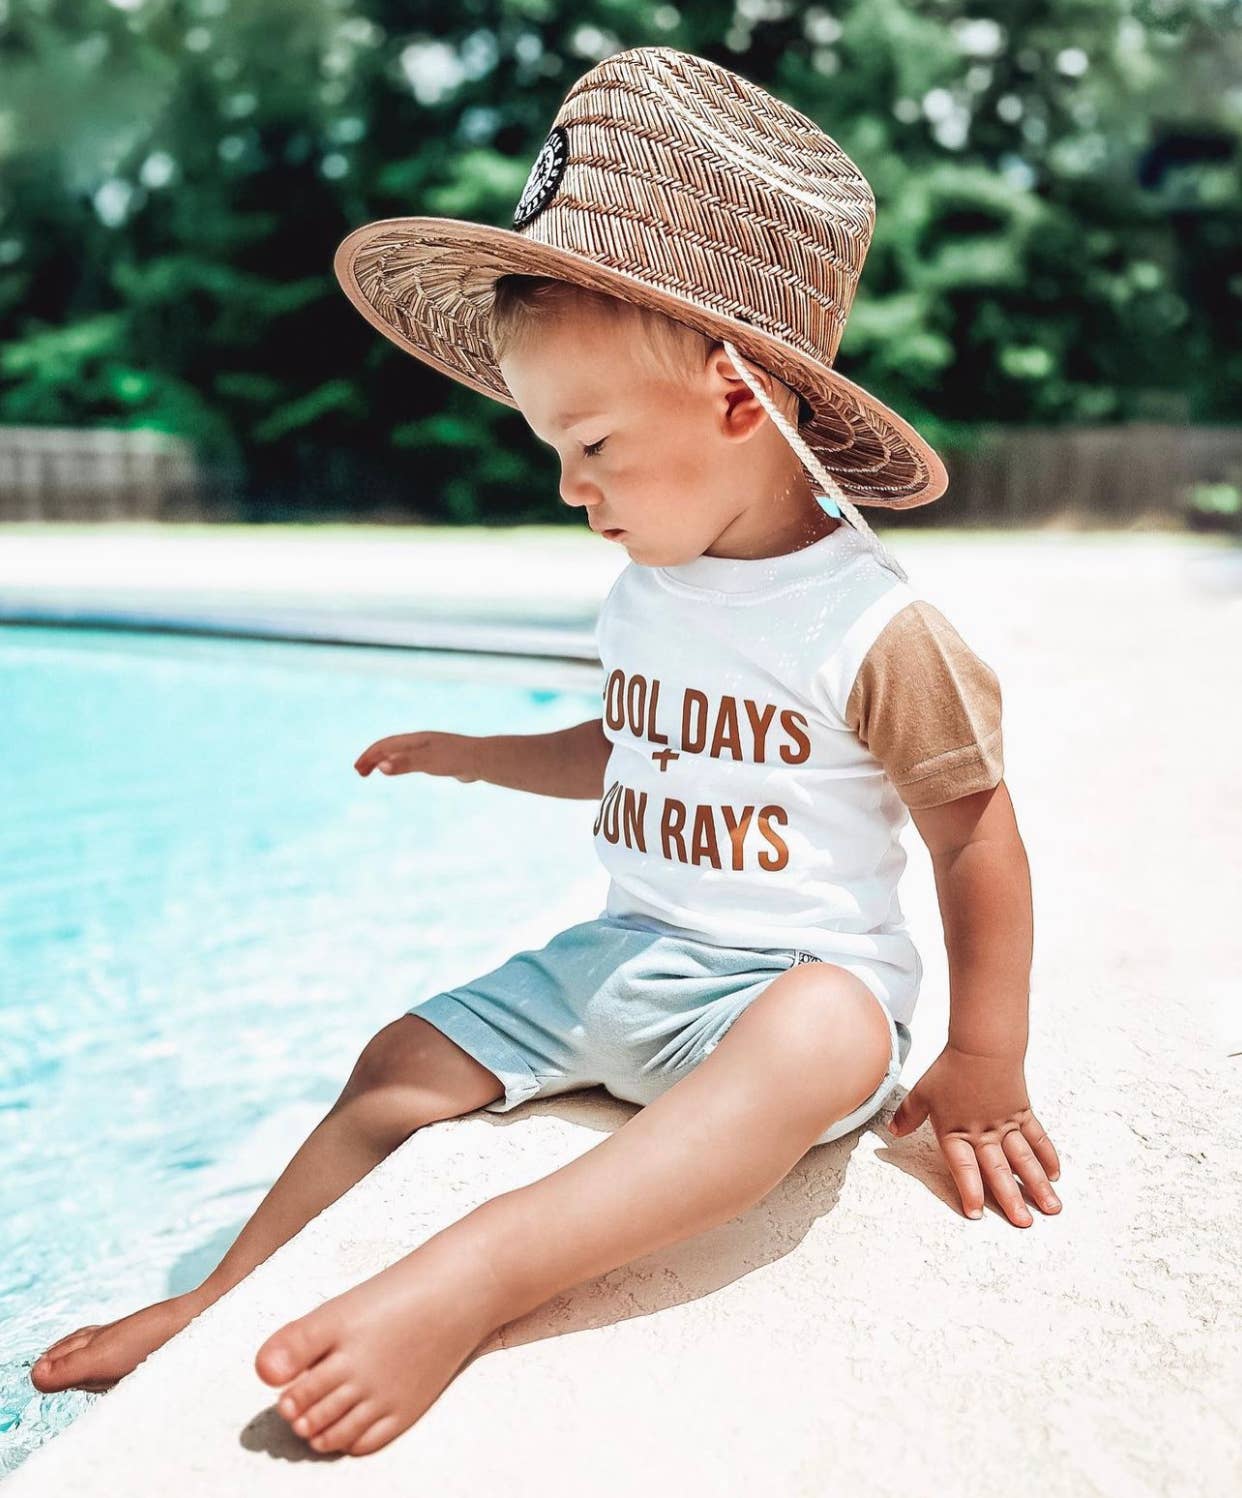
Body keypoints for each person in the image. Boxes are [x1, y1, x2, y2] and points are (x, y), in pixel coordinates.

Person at [30, 46, 1062, 1456]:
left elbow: (973, 835)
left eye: (590, 447)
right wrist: (476, 753)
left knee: (824, 1029)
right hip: (622, 958)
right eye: (550, 451)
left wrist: (982, 1055)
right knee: (398, 1055)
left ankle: (468, 1277)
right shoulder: (652, 582)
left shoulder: (874, 626)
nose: (571, 491)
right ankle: (220, 1293)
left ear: (737, 397)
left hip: (775, 996)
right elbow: (629, 746)